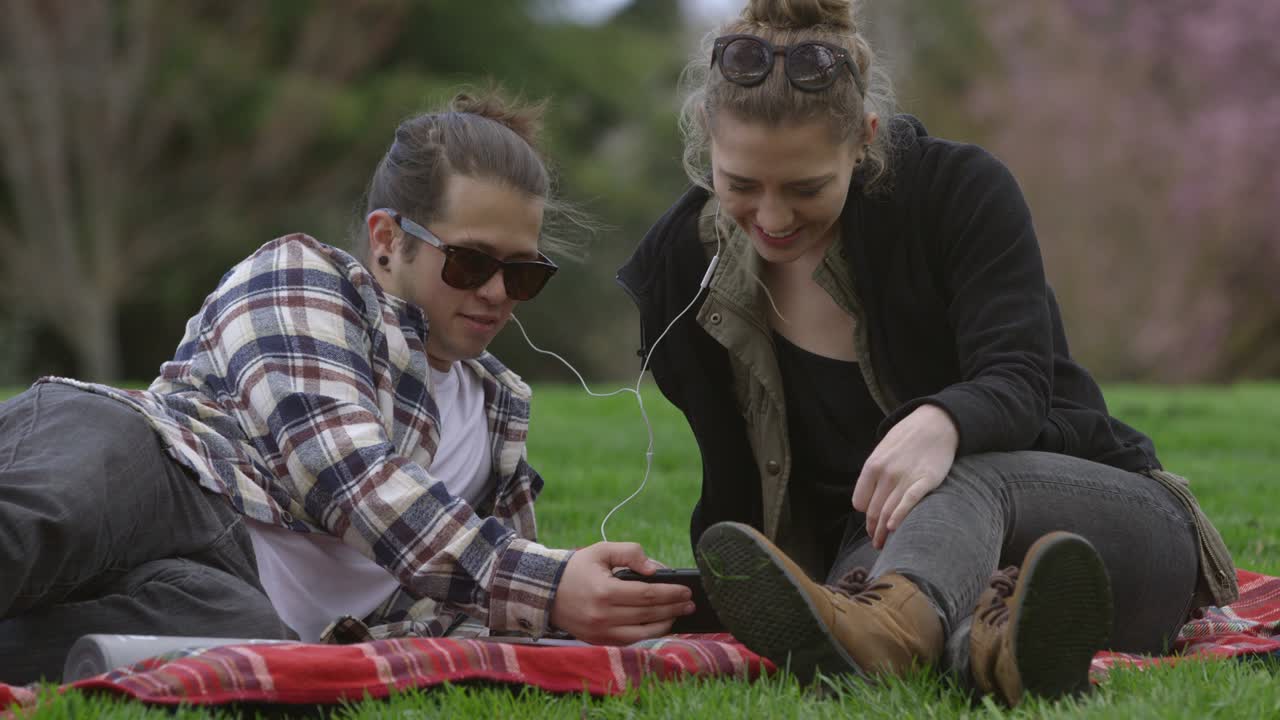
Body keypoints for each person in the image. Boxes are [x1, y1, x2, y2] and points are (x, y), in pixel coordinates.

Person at [618, 0, 1237, 705]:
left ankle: (897, 632)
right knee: (869, 573)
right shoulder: (681, 266)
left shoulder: (958, 191)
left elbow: (1020, 379)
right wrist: (665, 597)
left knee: (951, 478)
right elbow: (748, 501)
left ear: (864, 140)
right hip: (890, 558)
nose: (773, 216)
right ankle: (996, 650)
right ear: (707, 134)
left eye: (806, 187)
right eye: (742, 186)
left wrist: (943, 423)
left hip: (1105, 532)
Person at [0, 90, 694, 685]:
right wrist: (549, 585)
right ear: (387, 239)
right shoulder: (302, 277)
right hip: (163, 469)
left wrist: (612, 597)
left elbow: (472, 603)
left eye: (523, 274)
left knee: (241, 634)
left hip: (231, 591)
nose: (495, 293)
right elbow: (348, 475)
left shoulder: (497, 411)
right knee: (49, 517)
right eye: (471, 261)